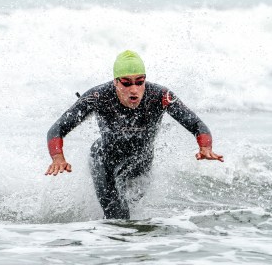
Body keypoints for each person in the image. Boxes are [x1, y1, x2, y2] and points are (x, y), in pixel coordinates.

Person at [46, 50, 223, 219]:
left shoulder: (160, 95)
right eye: (126, 83)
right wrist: (57, 157)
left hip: (141, 162)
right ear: (115, 81)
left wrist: (205, 147)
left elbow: (196, 123)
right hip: (104, 160)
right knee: (118, 216)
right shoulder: (98, 96)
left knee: (133, 215)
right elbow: (57, 129)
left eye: (140, 82)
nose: (134, 90)